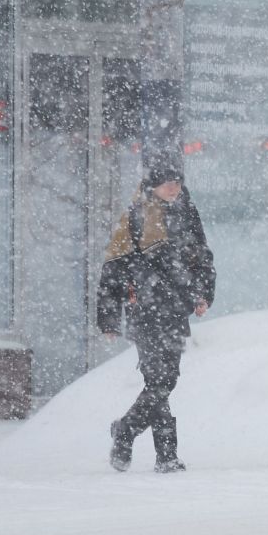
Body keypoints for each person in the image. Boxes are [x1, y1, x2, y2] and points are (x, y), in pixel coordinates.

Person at [98, 152, 215, 473]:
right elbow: (114, 269)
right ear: (152, 187)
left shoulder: (188, 213)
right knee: (159, 381)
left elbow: (203, 257)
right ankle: (165, 454)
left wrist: (203, 293)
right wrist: (108, 315)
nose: (174, 188)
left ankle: (128, 432)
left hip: (175, 310)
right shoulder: (136, 216)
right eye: (167, 183)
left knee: (167, 380)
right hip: (145, 310)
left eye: (177, 182)